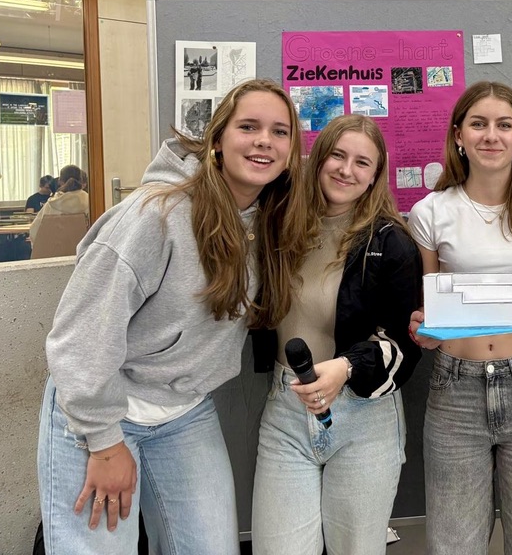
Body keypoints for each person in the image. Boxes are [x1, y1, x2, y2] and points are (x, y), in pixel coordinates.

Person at [37, 79, 309, 555]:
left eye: (279, 131)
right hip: (103, 409)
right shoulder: (155, 214)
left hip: (184, 413)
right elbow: (79, 337)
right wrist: (103, 442)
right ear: (217, 140)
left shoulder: (267, 221)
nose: (264, 141)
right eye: (248, 127)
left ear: (291, 151)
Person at [408, 81, 512, 555]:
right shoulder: (430, 212)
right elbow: (429, 307)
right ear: (458, 135)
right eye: (478, 124)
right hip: (454, 388)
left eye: (504, 125)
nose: (491, 135)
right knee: (454, 543)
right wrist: (422, 329)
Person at [252, 114, 423, 555]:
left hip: (364, 415)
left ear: (375, 175)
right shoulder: (280, 223)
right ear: (317, 158)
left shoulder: (392, 243)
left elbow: (404, 345)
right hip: (287, 410)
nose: (347, 170)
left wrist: (346, 368)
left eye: (362, 163)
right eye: (337, 155)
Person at [29, 165, 90, 244]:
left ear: (60, 181)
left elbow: (34, 232)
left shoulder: (52, 203)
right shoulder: (89, 201)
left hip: (53, 249)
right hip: (82, 249)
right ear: (81, 181)